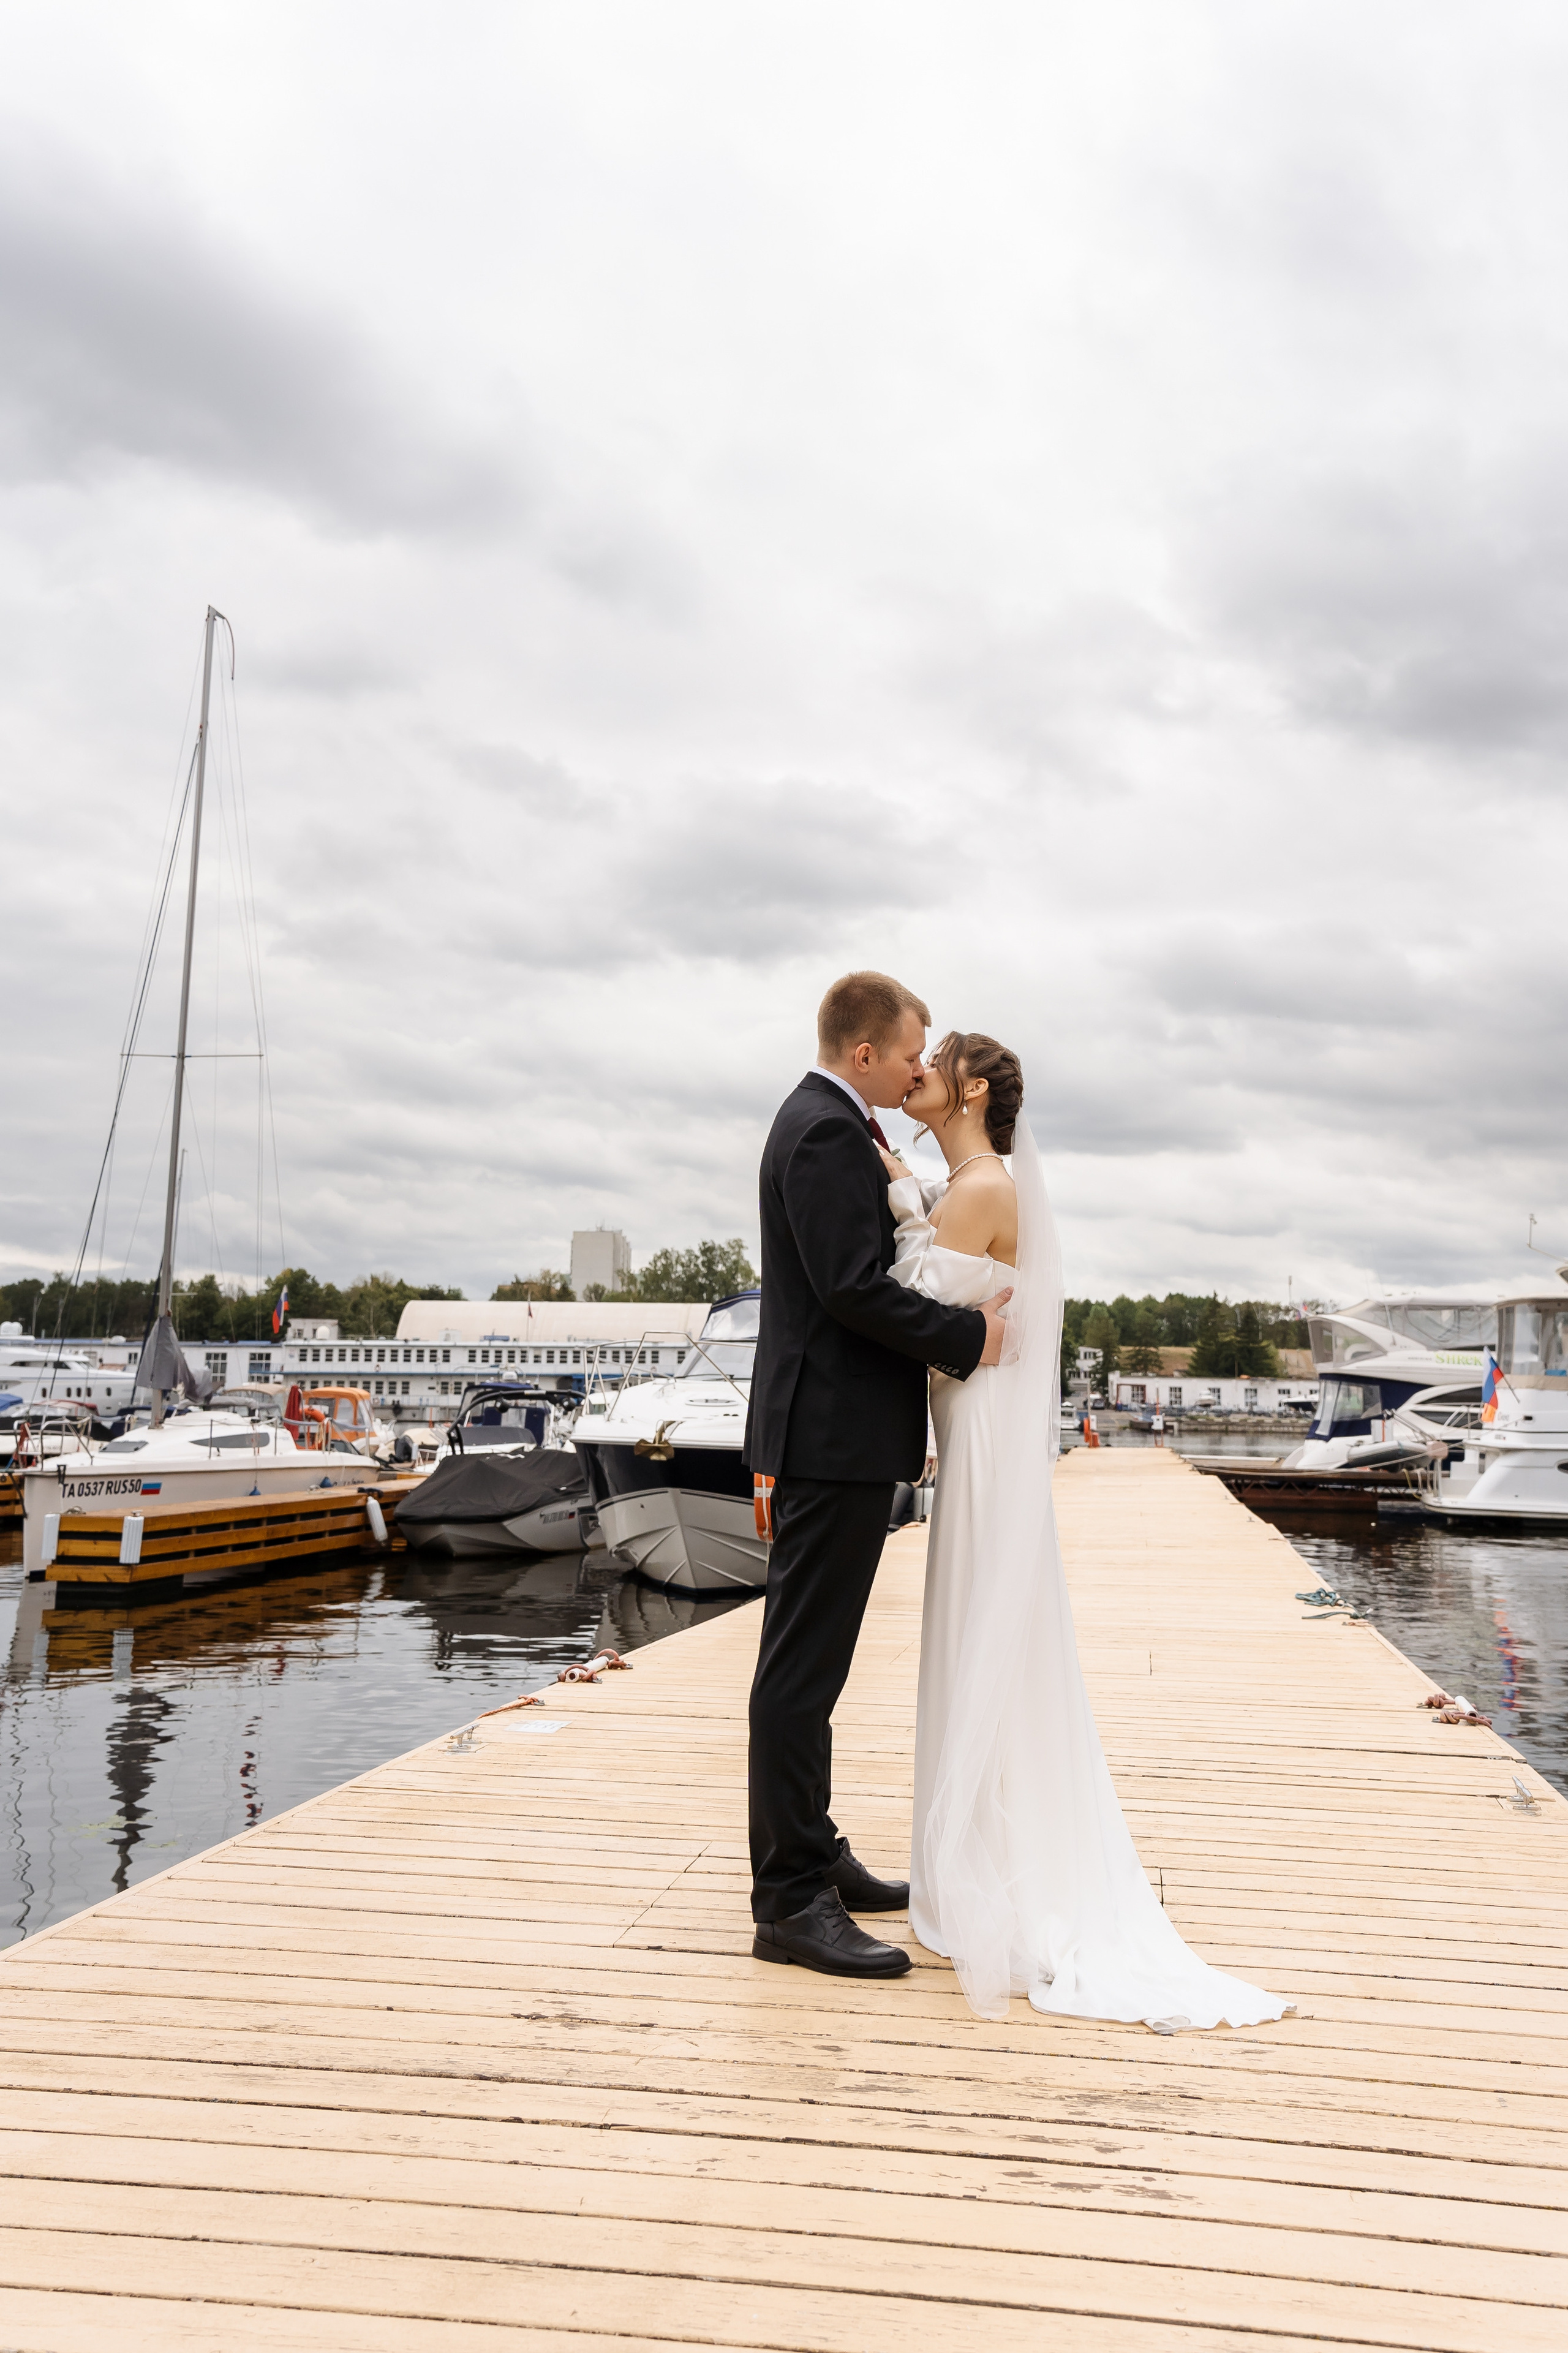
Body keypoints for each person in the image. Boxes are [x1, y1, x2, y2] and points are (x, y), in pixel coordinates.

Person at [881, 1030, 1292, 2030]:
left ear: (970, 1088)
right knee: (985, 1627)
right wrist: (910, 1189)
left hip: (977, 1437)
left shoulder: (980, 1189)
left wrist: (899, 1200)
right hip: (973, 1426)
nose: (916, 1074)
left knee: (985, 1626)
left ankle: (982, 1867)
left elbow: (904, 1304)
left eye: (931, 1062)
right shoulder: (971, 1183)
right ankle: (972, 1849)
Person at [744, 973, 1013, 1979]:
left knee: (814, 1668)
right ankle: (789, 1901)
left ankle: (814, 1853)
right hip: (829, 1437)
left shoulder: (842, 1124)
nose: (920, 1066)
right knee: (799, 1673)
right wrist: (968, 1337)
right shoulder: (820, 1131)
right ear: (865, 1053)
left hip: (840, 1437)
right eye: (911, 1051)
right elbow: (849, 1290)